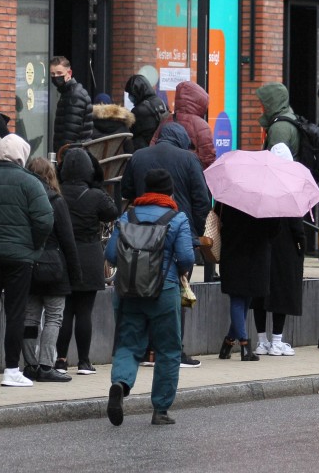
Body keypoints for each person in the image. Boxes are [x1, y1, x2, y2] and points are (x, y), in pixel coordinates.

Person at [105, 169, 195, 427]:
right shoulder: (177, 218)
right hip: (163, 293)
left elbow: (111, 255)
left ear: (146, 190)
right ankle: (160, 410)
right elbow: (187, 258)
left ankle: (120, 385)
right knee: (168, 349)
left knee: (128, 344)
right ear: (169, 191)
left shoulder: (128, 215)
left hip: (128, 291)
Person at [121, 121, 211, 367]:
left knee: (142, 289)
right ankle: (173, 351)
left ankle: (146, 351)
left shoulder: (138, 157)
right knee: (177, 293)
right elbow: (202, 200)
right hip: (179, 233)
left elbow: (126, 190)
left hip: (141, 235)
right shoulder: (189, 159)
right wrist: (197, 231)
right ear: (182, 139)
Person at [0, 134, 54, 388]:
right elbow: (45, 220)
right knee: (15, 313)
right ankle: (10, 370)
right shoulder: (31, 183)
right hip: (20, 258)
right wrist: (33, 247)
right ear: (21, 155)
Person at [54, 147, 119, 375]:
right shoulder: (95, 196)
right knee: (84, 312)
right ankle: (83, 362)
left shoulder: (56, 192)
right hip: (89, 258)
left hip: (62, 257)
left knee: (63, 312)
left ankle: (60, 360)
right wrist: (97, 184)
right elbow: (112, 212)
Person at [21, 157, 82, 383]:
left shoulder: (24, 199)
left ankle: (29, 365)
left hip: (29, 264)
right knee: (54, 317)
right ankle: (46, 366)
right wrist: (75, 273)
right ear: (50, 174)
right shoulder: (56, 200)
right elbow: (68, 240)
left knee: (30, 318)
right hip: (55, 266)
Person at [252, 144, 307, 357]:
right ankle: (277, 341)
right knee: (281, 293)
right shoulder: (289, 187)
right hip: (285, 249)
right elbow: (296, 226)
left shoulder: (259, 186)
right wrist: (300, 247)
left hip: (261, 246)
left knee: (259, 294)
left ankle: (261, 340)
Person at [215, 196, 278, 362]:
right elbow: (274, 231)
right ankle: (244, 345)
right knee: (244, 298)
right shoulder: (267, 200)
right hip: (257, 254)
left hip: (233, 251)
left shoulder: (228, 198)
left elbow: (216, 220)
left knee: (239, 298)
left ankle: (229, 343)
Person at [152, 80, 216, 170]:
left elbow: (153, 147)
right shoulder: (202, 125)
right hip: (190, 174)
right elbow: (208, 158)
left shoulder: (166, 121)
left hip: (167, 174)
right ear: (200, 101)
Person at [49, 56, 94, 151]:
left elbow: (70, 134)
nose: (55, 77)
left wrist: (61, 156)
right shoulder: (68, 93)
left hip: (73, 155)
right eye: (52, 74)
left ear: (69, 73)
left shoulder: (74, 96)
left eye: (59, 73)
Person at [124, 74, 166, 151]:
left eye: (131, 93)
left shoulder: (139, 110)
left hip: (144, 150)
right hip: (160, 147)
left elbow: (129, 133)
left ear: (137, 92)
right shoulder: (161, 102)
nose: (130, 97)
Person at [258, 82, 300, 155]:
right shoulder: (289, 115)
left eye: (263, 102)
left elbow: (276, 162)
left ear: (270, 103)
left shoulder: (279, 127)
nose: (261, 105)